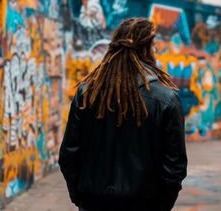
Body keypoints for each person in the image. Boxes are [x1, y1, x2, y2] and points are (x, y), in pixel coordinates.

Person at [59, 18, 188, 211]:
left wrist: (80, 198)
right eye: (153, 46)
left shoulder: (87, 94)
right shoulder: (167, 100)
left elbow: (68, 155)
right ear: (146, 49)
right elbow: (174, 167)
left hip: (93, 203)